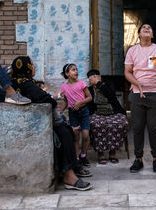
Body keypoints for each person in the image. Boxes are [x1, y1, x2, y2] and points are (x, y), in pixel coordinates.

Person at [10, 56, 92, 191]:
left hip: (36, 122)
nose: (34, 67)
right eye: (32, 64)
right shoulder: (24, 83)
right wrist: (51, 98)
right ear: (26, 68)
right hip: (30, 125)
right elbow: (48, 100)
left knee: (67, 131)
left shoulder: (24, 82)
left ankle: (74, 166)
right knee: (63, 135)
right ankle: (68, 174)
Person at [124, 23, 156, 173]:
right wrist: (137, 83)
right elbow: (128, 72)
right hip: (137, 94)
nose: (147, 29)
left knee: (154, 128)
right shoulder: (132, 50)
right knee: (137, 128)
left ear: (152, 35)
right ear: (139, 34)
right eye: (144, 28)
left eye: (150, 28)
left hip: (154, 93)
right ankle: (138, 159)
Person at [86, 70, 128, 164]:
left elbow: (110, 94)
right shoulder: (89, 89)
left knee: (121, 123)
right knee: (96, 124)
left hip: (113, 111)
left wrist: (99, 83)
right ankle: (100, 153)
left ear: (99, 77)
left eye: (94, 77)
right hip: (97, 113)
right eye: (90, 78)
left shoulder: (108, 85)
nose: (91, 79)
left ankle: (112, 152)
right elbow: (89, 104)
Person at [60, 63, 92, 167]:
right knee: (76, 135)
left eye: (77, 69)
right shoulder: (64, 87)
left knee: (85, 135)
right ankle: (77, 158)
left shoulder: (82, 84)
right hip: (72, 113)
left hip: (84, 111)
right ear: (67, 73)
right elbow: (65, 102)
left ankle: (83, 155)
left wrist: (80, 103)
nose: (76, 71)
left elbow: (89, 98)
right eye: (73, 70)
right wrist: (60, 110)